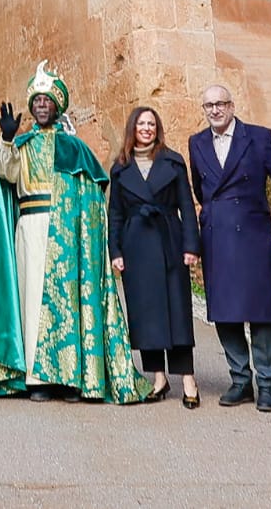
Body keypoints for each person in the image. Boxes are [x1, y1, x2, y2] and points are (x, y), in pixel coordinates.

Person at [0, 61, 149, 403]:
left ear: (57, 107)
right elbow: (5, 171)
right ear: (31, 108)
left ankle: (70, 377)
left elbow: (92, 198)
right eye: (37, 102)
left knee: (69, 300)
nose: (42, 106)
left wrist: (80, 229)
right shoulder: (23, 144)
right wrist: (6, 138)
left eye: (47, 101)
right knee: (32, 302)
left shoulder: (76, 149)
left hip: (67, 233)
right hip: (30, 230)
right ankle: (36, 378)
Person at [188, 84, 271, 413]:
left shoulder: (258, 137)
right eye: (208, 105)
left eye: (220, 104)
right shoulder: (197, 143)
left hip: (252, 236)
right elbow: (200, 190)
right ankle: (240, 379)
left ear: (232, 106)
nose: (214, 110)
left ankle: (267, 382)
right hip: (217, 236)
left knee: (261, 312)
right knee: (225, 313)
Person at [108, 106, 203, 407]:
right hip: (136, 245)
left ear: (157, 128)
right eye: (141, 123)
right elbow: (115, 214)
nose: (146, 128)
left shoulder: (173, 163)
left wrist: (191, 246)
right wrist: (116, 251)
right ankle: (158, 377)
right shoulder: (120, 168)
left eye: (151, 124)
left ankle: (187, 378)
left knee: (177, 310)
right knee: (145, 312)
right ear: (132, 129)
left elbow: (187, 208)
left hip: (168, 240)